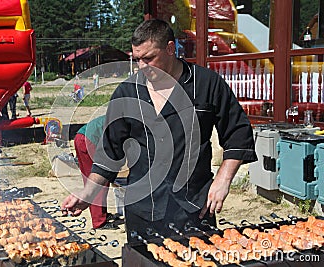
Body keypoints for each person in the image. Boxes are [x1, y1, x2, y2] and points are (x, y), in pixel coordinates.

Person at [62, 19, 257, 243]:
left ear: (170, 49)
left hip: (194, 207)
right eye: (137, 60)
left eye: (149, 58)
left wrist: (223, 180)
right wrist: (87, 195)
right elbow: (110, 154)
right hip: (142, 210)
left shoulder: (206, 84)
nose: (142, 67)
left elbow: (238, 134)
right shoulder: (127, 92)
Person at [74, 115, 118, 230]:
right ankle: (99, 222)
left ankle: (101, 214)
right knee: (100, 180)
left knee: (90, 179)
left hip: (81, 136)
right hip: (89, 139)